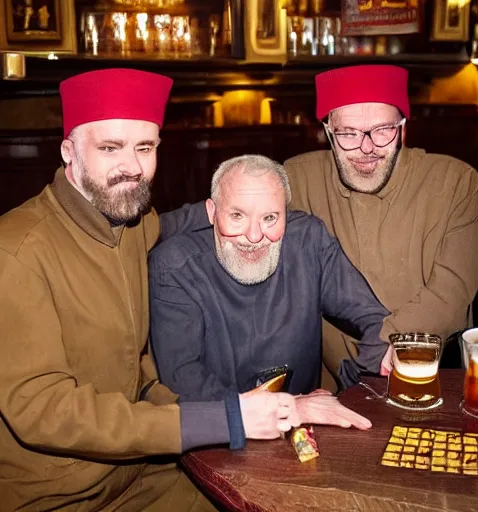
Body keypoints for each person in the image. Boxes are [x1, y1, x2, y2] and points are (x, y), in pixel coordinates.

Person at [0, 69, 341, 512]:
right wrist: (224, 418)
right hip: (58, 496)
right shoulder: (17, 251)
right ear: (69, 151)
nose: (133, 167)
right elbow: (43, 411)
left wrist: (252, 211)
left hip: (141, 473)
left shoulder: (130, 226)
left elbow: (135, 372)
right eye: (109, 148)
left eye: (145, 147)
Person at [283, 64, 478, 392]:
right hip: (331, 391)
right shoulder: (295, 179)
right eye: (348, 133)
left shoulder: (455, 181)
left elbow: (452, 289)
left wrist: (379, 347)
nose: (366, 148)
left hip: (433, 379)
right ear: (328, 130)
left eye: (382, 130)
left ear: (403, 128)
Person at [149, 154, 392, 410]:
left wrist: (368, 371)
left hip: (304, 432)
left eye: (270, 218)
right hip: (218, 436)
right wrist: (280, 409)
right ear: (211, 212)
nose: (254, 236)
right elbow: (184, 383)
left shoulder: (308, 241)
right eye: (237, 216)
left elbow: (373, 316)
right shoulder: (174, 265)